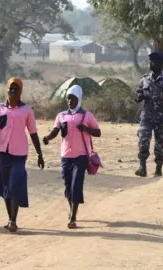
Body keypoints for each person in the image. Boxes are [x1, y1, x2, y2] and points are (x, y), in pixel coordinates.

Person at [0, 77, 45, 233]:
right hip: (3, 153)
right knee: (6, 187)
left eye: (16, 89)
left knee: (15, 184)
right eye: (11, 88)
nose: (13, 91)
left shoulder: (27, 111)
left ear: (21, 91)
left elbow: (33, 133)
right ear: (7, 89)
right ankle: (10, 218)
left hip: (19, 154)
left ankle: (13, 220)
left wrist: (39, 154)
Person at [43, 85, 101, 229]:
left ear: (79, 99)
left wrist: (86, 129)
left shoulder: (87, 116)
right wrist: (47, 138)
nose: (70, 101)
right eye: (68, 98)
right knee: (68, 186)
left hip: (81, 156)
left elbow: (98, 132)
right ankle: (71, 209)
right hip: (65, 156)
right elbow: (55, 131)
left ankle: (73, 217)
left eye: (73, 98)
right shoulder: (61, 116)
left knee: (76, 185)